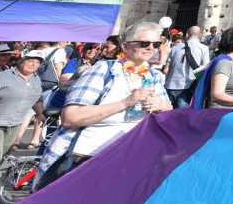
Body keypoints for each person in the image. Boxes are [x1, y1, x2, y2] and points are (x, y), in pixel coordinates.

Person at [36, 24, 172, 190]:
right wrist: (125, 103)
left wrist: (162, 106)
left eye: (156, 44)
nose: (151, 48)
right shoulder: (104, 70)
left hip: (129, 160)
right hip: (87, 158)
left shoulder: (154, 76)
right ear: (125, 45)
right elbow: (71, 117)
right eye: (144, 43)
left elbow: (170, 113)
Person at [0, 50, 46, 198]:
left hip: (14, 125)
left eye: (38, 62)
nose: (33, 64)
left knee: (2, 157)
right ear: (22, 60)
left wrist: (40, 113)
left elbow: (37, 98)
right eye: (30, 60)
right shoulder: (3, 77)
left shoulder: (36, 80)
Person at [165, 25, 211, 108]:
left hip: (170, 84)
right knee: (182, 117)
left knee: (167, 116)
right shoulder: (204, 48)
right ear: (200, 35)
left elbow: (166, 69)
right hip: (187, 86)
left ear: (186, 35)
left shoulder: (175, 47)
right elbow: (205, 69)